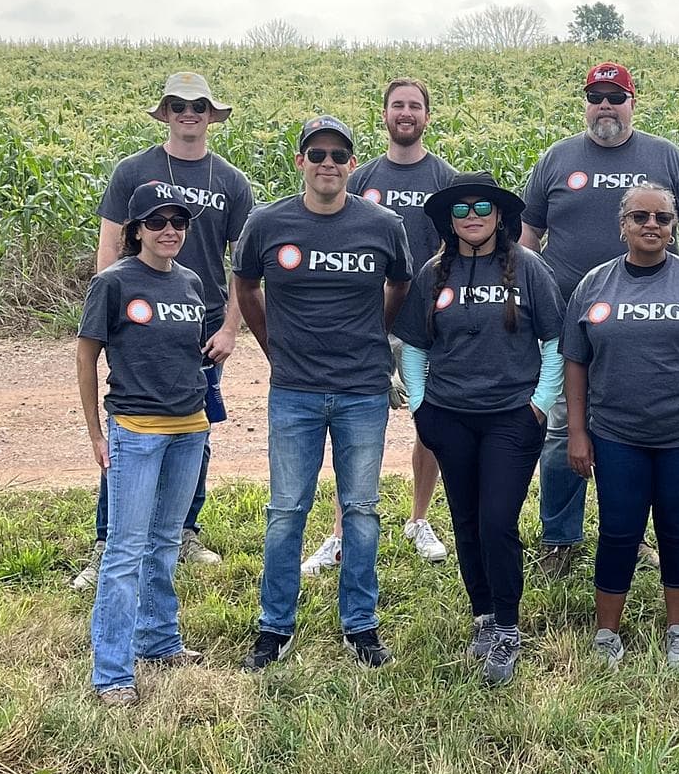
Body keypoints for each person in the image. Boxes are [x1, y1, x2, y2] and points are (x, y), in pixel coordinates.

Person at [521, 62, 679, 577]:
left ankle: (631, 537)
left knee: (642, 430)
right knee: (567, 431)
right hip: (570, 320)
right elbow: (527, 234)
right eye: (596, 96)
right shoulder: (557, 158)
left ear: (634, 102)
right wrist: (522, 299)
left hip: (652, 322)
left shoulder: (665, 156)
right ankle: (561, 538)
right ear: (586, 103)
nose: (605, 105)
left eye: (616, 96)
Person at [233, 115, 412, 670]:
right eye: (317, 154)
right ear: (300, 162)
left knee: (360, 510)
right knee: (287, 510)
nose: (328, 164)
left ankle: (360, 624)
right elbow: (245, 285)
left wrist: (371, 339)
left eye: (339, 155)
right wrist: (274, 346)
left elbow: (399, 285)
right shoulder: (267, 223)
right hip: (295, 391)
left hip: (361, 389)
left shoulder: (383, 225)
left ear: (352, 165)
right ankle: (274, 626)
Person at [72, 72, 254, 589]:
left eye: (199, 105)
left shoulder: (231, 182)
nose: (188, 112)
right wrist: (107, 319)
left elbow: (243, 265)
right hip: (137, 324)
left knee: (195, 426)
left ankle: (184, 530)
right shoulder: (134, 171)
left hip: (201, 326)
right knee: (128, 429)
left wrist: (231, 328)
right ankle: (107, 539)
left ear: (211, 115)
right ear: (166, 112)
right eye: (178, 104)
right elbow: (108, 247)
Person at [562, 183, 679, 669]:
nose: (651, 225)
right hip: (616, 434)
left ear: (673, 227)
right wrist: (577, 431)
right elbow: (575, 363)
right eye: (640, 217)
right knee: (618, 530)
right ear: (622, 225)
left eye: (662, 219)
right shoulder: (595, 284)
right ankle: (607, 633)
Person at [393, 172, 564, 685]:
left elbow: (555, 342)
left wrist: (539, 405)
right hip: (449, 416)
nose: (472, 217)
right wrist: (422, 405)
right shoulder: (433, 273)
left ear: (499, 216)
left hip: (512, 416)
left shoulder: (528, 269)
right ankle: (483, 617)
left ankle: (509, 627)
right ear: (449, 220)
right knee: (465, 519)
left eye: (482, 208)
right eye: (461, 210)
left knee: (496, 519)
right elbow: (415, 346)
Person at [302, 77, 457, 573]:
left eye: (415, 105)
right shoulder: (360, 176)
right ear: (385, 115)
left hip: (428, 324)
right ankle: (341, 532)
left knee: (429, 422)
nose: (406, 113)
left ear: (427, 117)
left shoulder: (445, 179)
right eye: (397, 106)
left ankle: (418, 519)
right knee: (354, 426)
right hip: (366, 323)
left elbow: (453, 249)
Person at [76, 183, 210, 707]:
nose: (169, 230)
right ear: (136, 231)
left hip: (189, 428)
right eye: (157, 222)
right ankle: (112, 672)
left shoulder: (192, 283)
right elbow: (86, 358)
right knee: (124, 550)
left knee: (166, 542)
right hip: (135, 430)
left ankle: (160, 642)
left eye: (178, 222)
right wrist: (95, 433)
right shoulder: (112, 283)